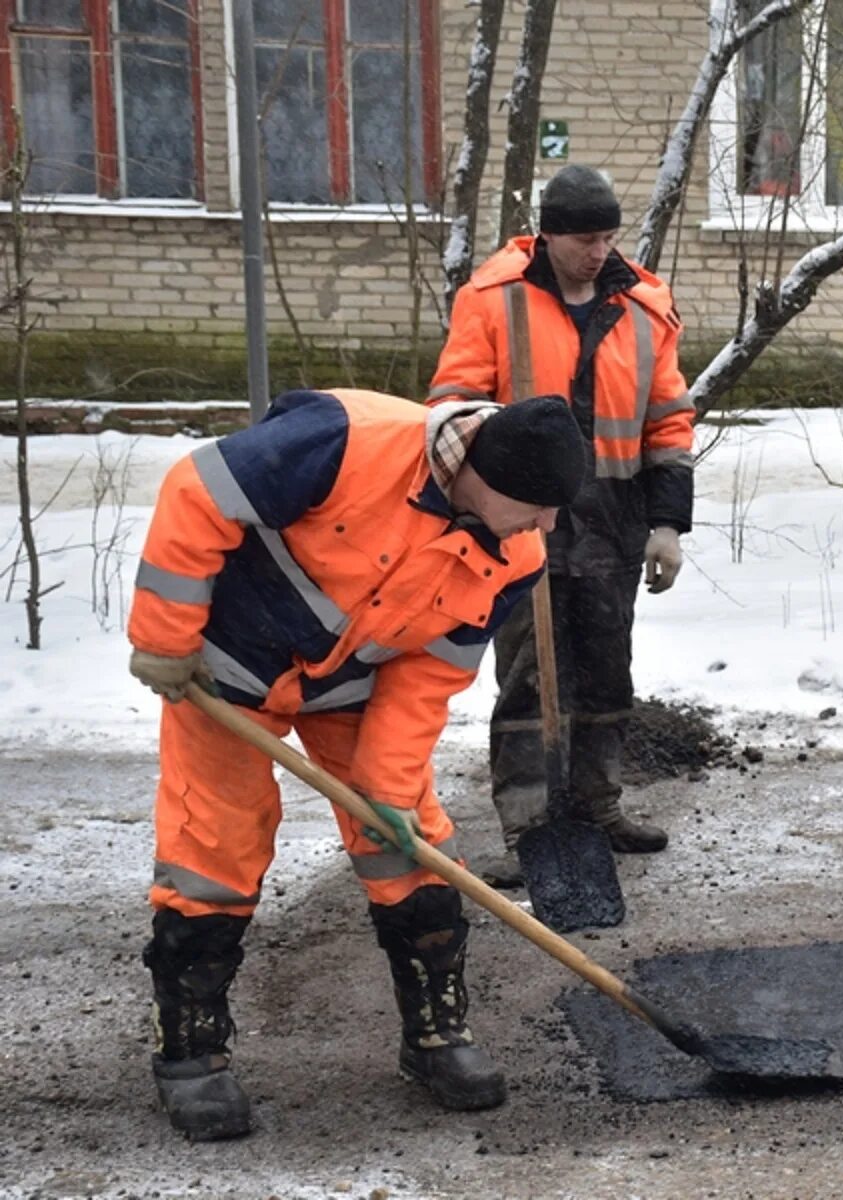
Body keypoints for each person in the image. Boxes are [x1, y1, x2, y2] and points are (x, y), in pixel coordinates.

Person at [127, 388, 589, 1139]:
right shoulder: (344, 440)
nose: (546, 526)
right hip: (228, 671)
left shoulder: (515, 556)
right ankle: (190, 1055)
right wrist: (165, 636)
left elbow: (429, 677)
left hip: (357, 684)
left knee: (412, 849)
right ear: (483, 474)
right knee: (215, 847)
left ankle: (437, 1038)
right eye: (536, 505)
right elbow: (196, 489)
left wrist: (390, 791)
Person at [430, 164, 695, 879]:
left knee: (608, 671)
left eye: (608, 237)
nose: (599, 251)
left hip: (614, 515)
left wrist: (668, 522)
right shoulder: (492, 300)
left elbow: (667, 418)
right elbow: (453, 407)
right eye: (585, 238)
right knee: (527, 673)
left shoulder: (645, 307)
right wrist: (490, 502)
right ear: (547, 235)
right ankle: (528, 822)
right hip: (520, 518)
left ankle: (599, 805)